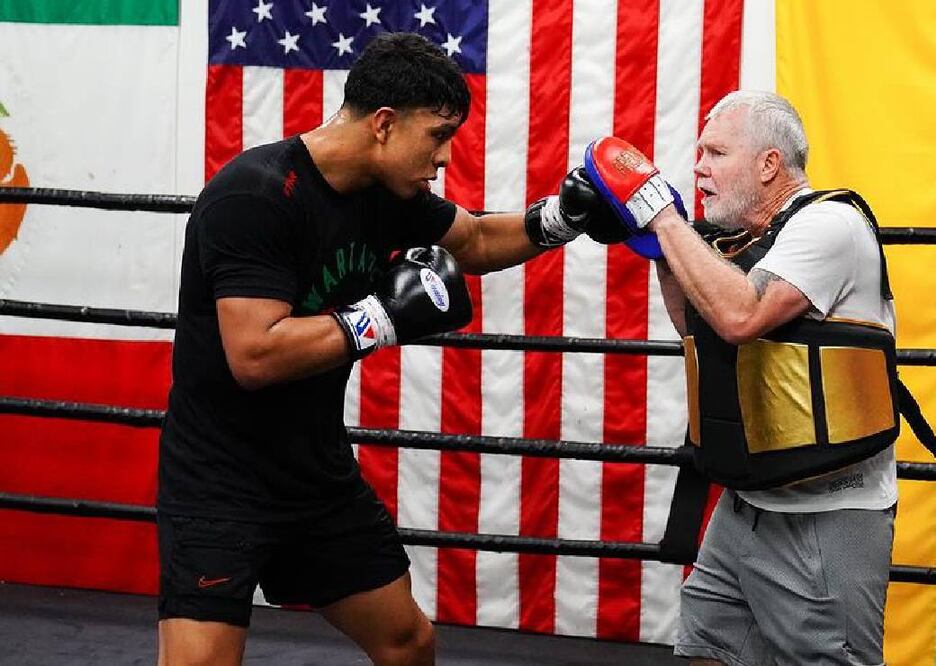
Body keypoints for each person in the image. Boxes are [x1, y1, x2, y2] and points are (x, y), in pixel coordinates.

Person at [156, 32, 623, 666]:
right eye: (437, 135)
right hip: (219, 482)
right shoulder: (255, 197)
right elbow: (255, 355)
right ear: (383, 124)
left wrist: (560, 220)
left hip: (314, 475)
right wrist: (382, 315)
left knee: (408, 642)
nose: (445, 156)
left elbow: (478, 241)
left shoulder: (385, 196)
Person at [582, 90, 906, 664]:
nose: (698, 166)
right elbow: (695, 324)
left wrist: (661, 215)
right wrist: (661, 243)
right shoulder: (747, 239)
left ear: (768, 165)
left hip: (823, 515)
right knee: (707, 649)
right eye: (699, 153)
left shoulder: (828, 223)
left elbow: (739, 316)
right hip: (745, 504)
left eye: (715, 153)